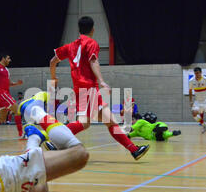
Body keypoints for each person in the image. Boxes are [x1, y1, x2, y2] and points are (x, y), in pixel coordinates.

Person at [48, 16, 150, 160]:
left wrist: (53, 78)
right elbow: (93, 61)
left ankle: (134, 150)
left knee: (110, 121)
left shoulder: (70, 46)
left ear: (79, 29)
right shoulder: (91, 43)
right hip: (89, 87)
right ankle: (54, 141)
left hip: (81, 88)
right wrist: (102, 81)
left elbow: (52, 61)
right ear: (93, 29)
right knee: (84, 123)